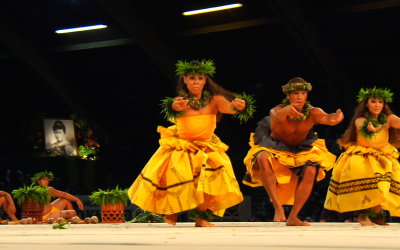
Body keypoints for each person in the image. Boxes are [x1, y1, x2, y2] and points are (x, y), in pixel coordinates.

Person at [127, 60, 255, 227]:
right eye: (192, 78)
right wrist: (174, 106)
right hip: (183, 145)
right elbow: (172, 108)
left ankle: (201, 217)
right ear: (185, 80)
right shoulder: (180, 101)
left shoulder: (214, 100)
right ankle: (172, 210)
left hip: (207, 146)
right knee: (175, 173)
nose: (196, 82)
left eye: (200, 78)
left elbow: (230, 108)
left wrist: (241, 106)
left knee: (212, 176)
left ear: (205, 80)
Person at [243, 77, 343, 226]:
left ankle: (293, 216)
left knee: (311, 170)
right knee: (263, 157)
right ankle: (278, 208)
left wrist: (335, 118)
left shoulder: (312, 112)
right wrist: (286, 111)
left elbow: (326, 117)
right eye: (296, 93)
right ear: (288, 96)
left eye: (303, 93)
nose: (300, 97)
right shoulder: (276, 110)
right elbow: (277, 116)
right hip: (275, 146)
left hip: (300, 148)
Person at [324, 87, 400, 226]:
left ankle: (375, 215)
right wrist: (372, 128)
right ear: (366, 104)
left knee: (384, 183)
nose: (377, 105)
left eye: (380, 102)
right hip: (362, 156)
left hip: (382, 155)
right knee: (369, 181)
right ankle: (363, 215)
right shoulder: (360, 120)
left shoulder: (389, 119)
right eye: (373, 101)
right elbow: (363, 127)